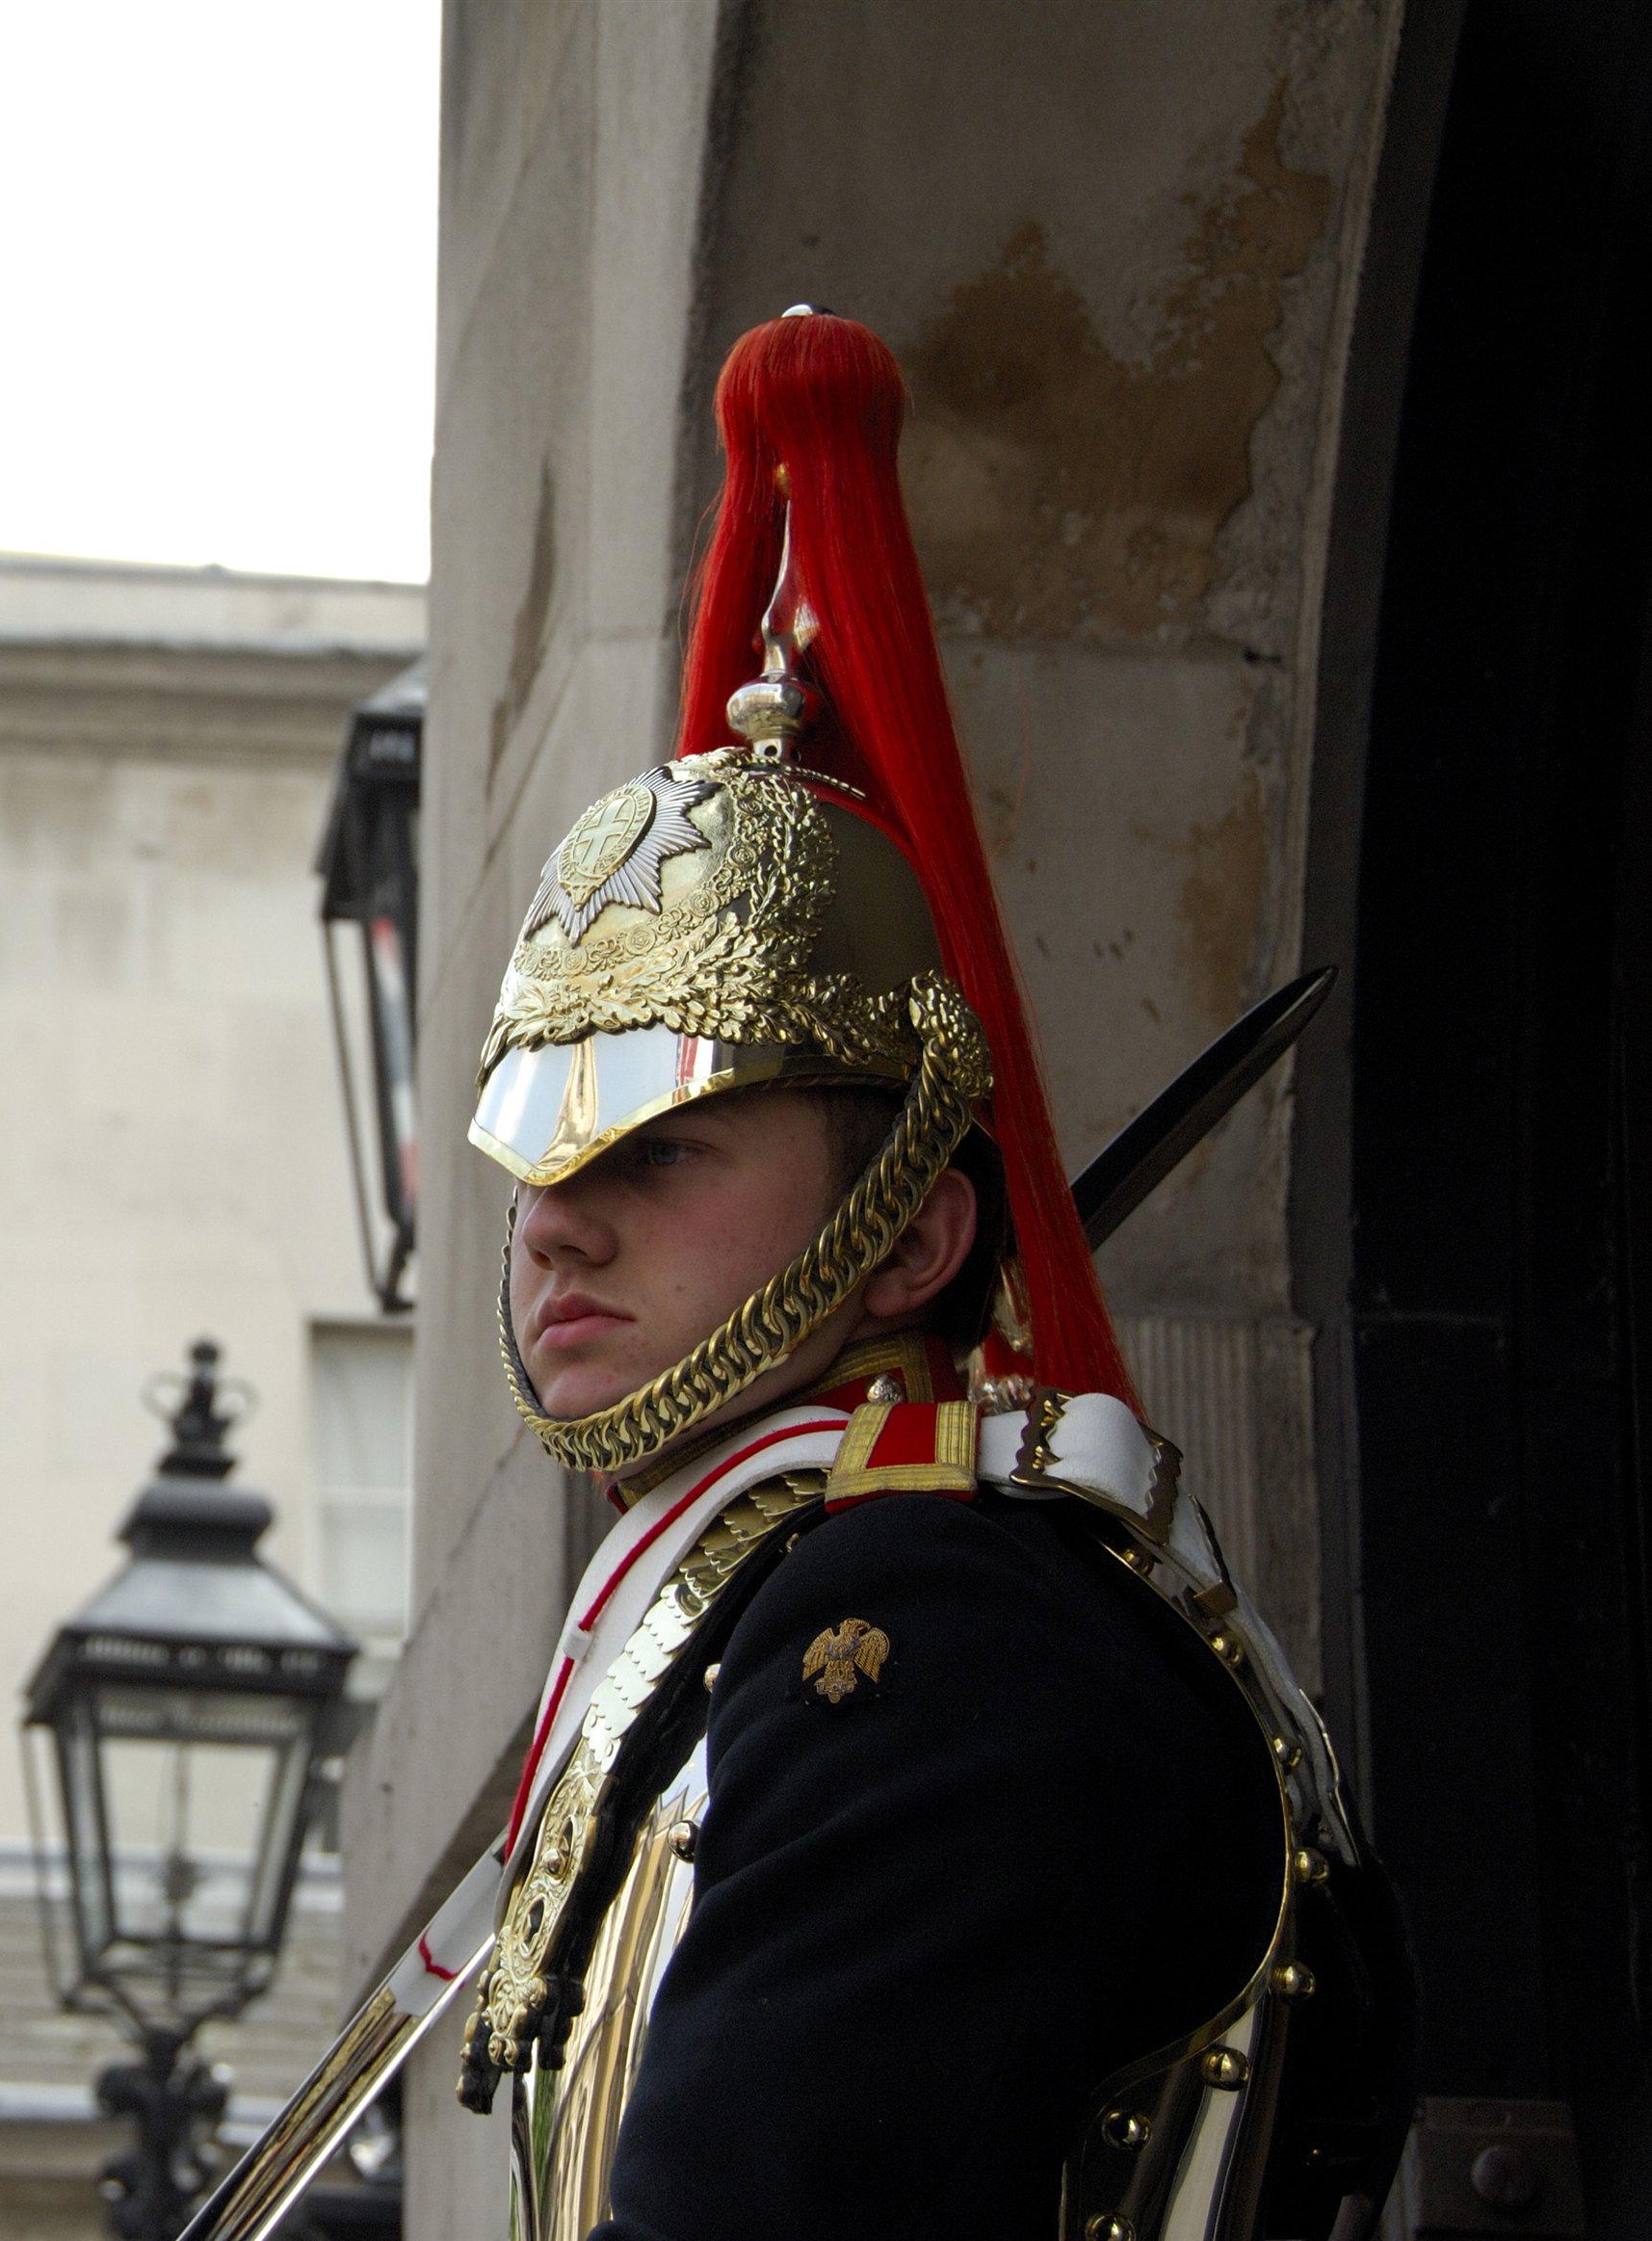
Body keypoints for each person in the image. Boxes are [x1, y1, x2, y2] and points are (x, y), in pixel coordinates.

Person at [444, 310, 1411, 2240]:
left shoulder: (921, 1620)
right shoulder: (774, 1616)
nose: (556, 1218)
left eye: (652, 1149)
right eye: (536, 1161)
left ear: (910, 1230)